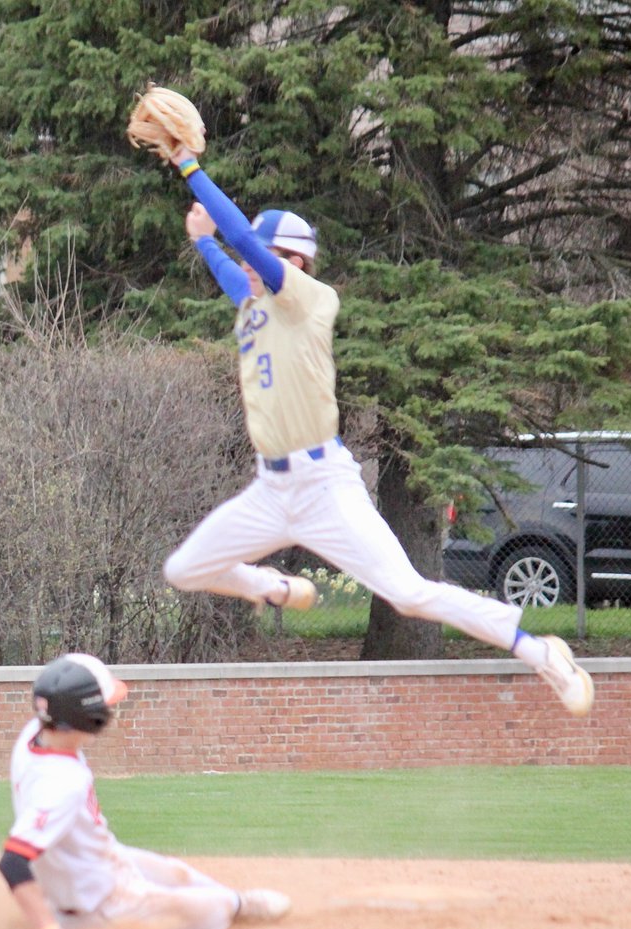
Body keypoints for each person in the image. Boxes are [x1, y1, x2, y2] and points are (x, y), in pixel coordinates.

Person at [157, 145, 594, 717]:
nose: (248, 264)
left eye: (262, 256)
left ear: (295, 262)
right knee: (183, 570)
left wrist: (191, 168)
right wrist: (202, 243)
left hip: (324, 486)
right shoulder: (257, 307)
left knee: (409, 594)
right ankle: (275, 588)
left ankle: (539, 653)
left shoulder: (308, 301)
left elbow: (242, 242)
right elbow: (231, 264)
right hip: (270, 489)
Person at [0, 652, 292, 929]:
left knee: (175, 872)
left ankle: (237, 901)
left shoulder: (36, 732)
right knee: (211, 911)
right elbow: (13, 861)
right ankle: (233, 906)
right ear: (90, 716)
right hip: (101, 903)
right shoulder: (62, 783)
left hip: (100, 861)